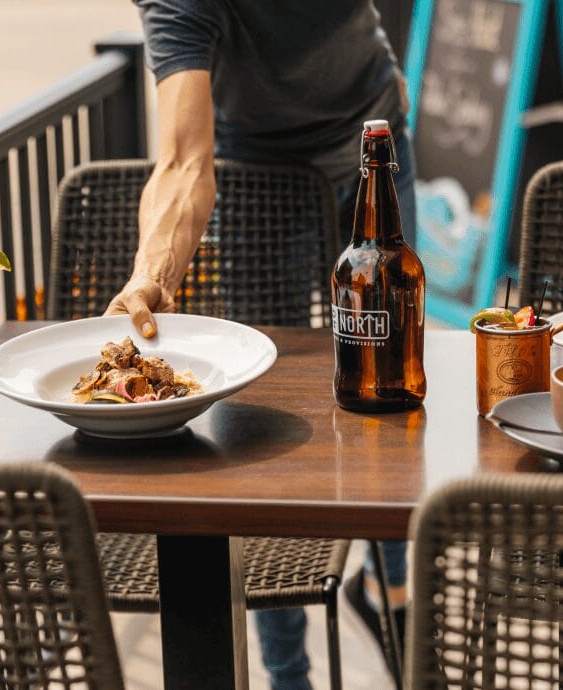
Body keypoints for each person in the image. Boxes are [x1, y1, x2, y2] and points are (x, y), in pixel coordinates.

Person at [105, 2, 416, 687]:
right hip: (255, 157)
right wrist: (151, 277)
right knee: (260, 417)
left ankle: (392, 591)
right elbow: (185, 160)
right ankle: (286, 674)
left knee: (393, 376)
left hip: (369, 129)